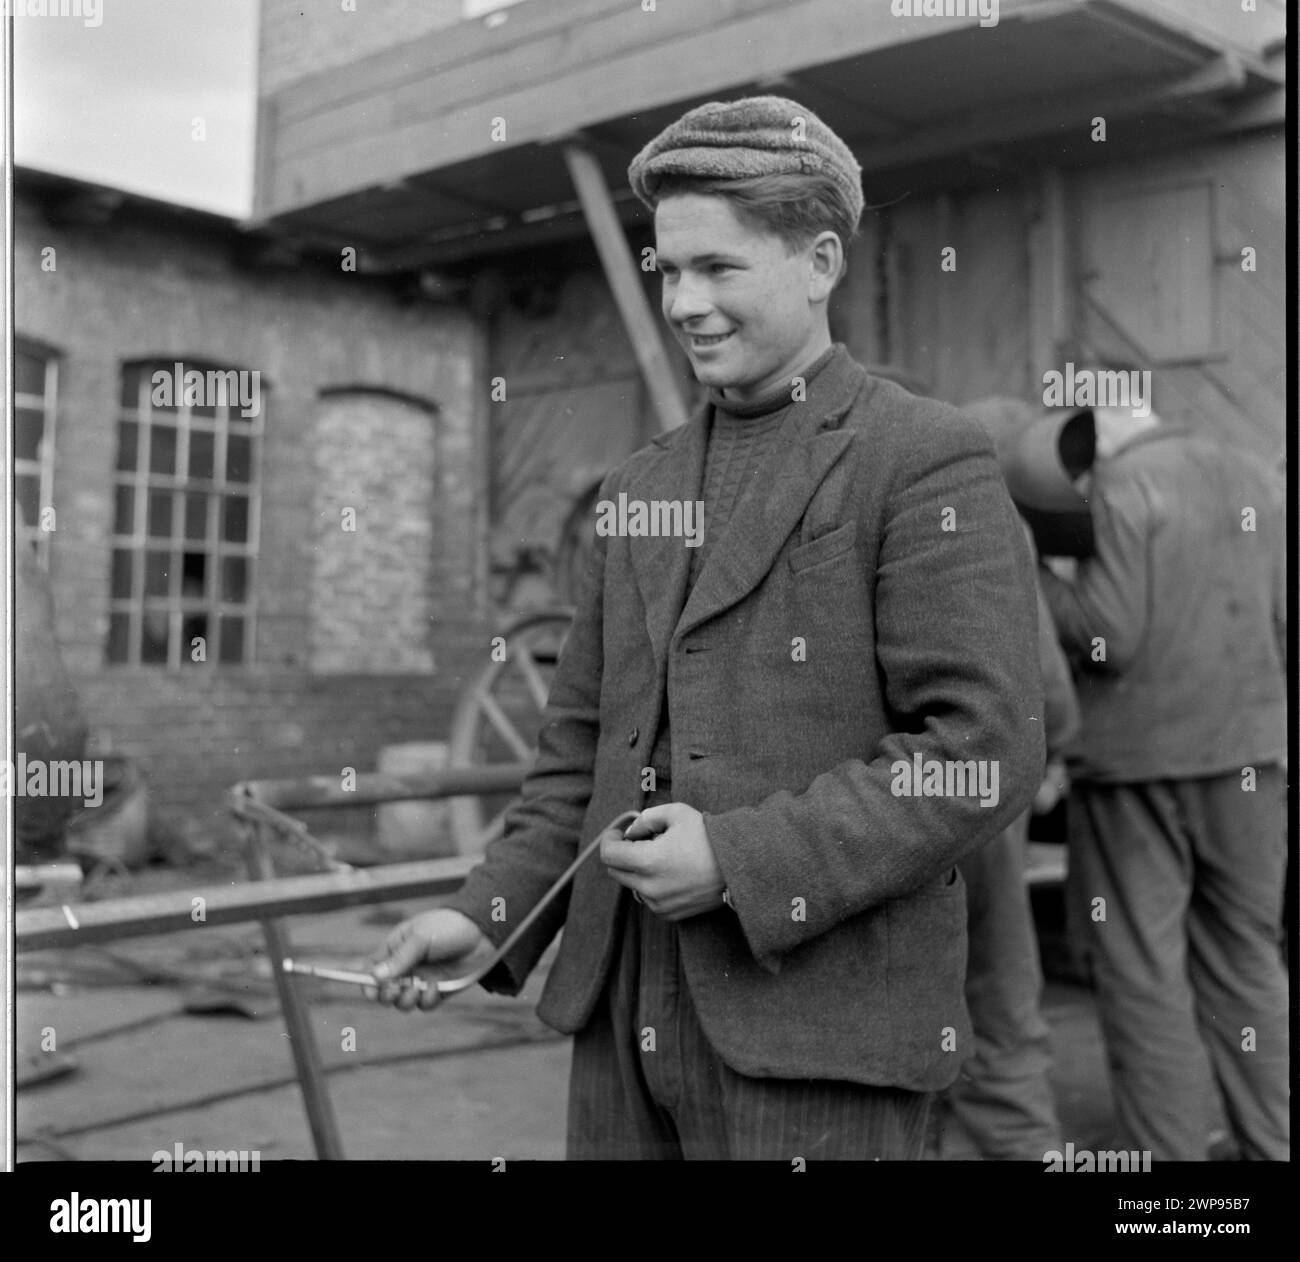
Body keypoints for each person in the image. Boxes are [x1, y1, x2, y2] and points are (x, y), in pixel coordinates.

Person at [367, 96, 1045, 1160]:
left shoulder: (919, 458)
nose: (683, 301)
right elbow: (579, 755)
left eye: (718, 269)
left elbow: (979, 749)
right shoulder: (637, 487)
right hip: (620, 1027)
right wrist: (488, 914)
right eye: (667, 270)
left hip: (816, 1036)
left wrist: (739, 858)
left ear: (818, 260)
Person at [1037, 401, 1289, 1161]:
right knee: (1248, 961)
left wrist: (1033, 576)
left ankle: (1171, 1180)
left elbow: (1111, 634)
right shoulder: (1251, 471)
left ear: (1097, 428)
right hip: (1250, 757)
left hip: (1139, 767)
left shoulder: (1122, 482)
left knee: (1142, 972)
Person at [935, 396, 1079, 1161]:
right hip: (980, 798)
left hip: (871, 803)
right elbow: (1048, 686)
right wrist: (1055, 754)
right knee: (999, 995)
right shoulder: (999, 519)